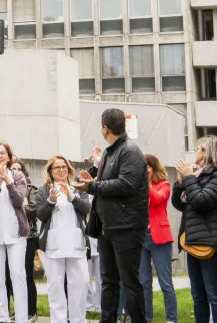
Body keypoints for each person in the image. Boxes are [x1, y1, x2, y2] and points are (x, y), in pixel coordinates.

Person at [72, 108, 149, 323]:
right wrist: (92, 180)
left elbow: (126, 184)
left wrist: (92, 186)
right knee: (108, 281)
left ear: (105, 128)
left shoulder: (130, 151)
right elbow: (105, 182)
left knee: (130, 282)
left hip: (127, 227)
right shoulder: (108, 152)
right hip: (108, 226)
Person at [171, 135, 217, 323]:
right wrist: (180, 183)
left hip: (213, 244)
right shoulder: (198, 176)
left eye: (199, 149)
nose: (196, 152)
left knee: (214, 294)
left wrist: (189, 178)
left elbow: (201, 201)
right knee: (198, 295)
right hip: (194, 240)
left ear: (208, 153)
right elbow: (180, 204)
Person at [35, 154, 92, 323]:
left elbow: (87, 208)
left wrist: (72, 197)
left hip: (76, 243)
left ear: (69, 169)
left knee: (81, 283)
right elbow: (40, 215)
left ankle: (78, 319)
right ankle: (58, 320)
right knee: (56, 286)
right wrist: (51, 201)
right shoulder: (44, 190)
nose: (61, 170)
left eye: (64, 167)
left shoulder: (78, 187)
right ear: (50, 171)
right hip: (53, 245)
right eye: (57, 167)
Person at [0, 142, 30, 323]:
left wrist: (8, 181)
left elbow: (18, 201)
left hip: (16, 234)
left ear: (9, 157)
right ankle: (2, 318)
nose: (0, 156)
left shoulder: (18, 176)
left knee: (18, 276)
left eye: (3, 153)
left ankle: (22, 318)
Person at [140, 154, 178, 323]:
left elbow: (157, 199)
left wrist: (146, 184)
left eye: (147, 167)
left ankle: (172, 319)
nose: (144, 170)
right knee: (144, 282)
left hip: (159, 238)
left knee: (165, 283)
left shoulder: (164, 185)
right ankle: (146, 318)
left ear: (154, 168)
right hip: (141, 238)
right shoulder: (137, 187)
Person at [4, 158, 39, 322]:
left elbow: (33, 210)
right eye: (13, 168)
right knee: (11, 276)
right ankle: (18, 310)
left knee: (26, 276)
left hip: (27, 238)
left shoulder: (31, 189)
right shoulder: (4, 188)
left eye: (19, 169)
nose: (16, 171)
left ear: (24, 172)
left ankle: (31, 311)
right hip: (7, 237)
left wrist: (17, 205)